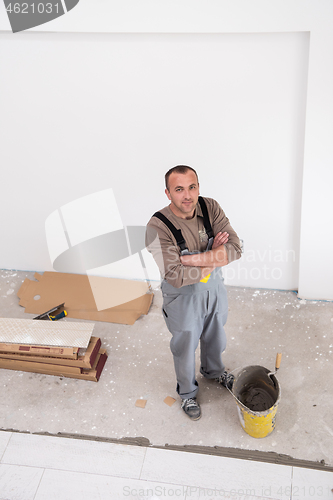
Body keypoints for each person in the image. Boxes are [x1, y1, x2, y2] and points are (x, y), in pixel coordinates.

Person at [145, 165, 241, 420]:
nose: (187, 195)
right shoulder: (157, 226)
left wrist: (191, 260)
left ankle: (213, 371)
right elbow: (175, 275)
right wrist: (213, 257)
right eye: (179, 189)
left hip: (215, 291)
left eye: (192, 187)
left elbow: (235, 249)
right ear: (168, 193)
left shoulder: (210, 208)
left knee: (216, 336)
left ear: (198, 186)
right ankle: (187, 393)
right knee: (185, 346)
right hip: (183, 298)